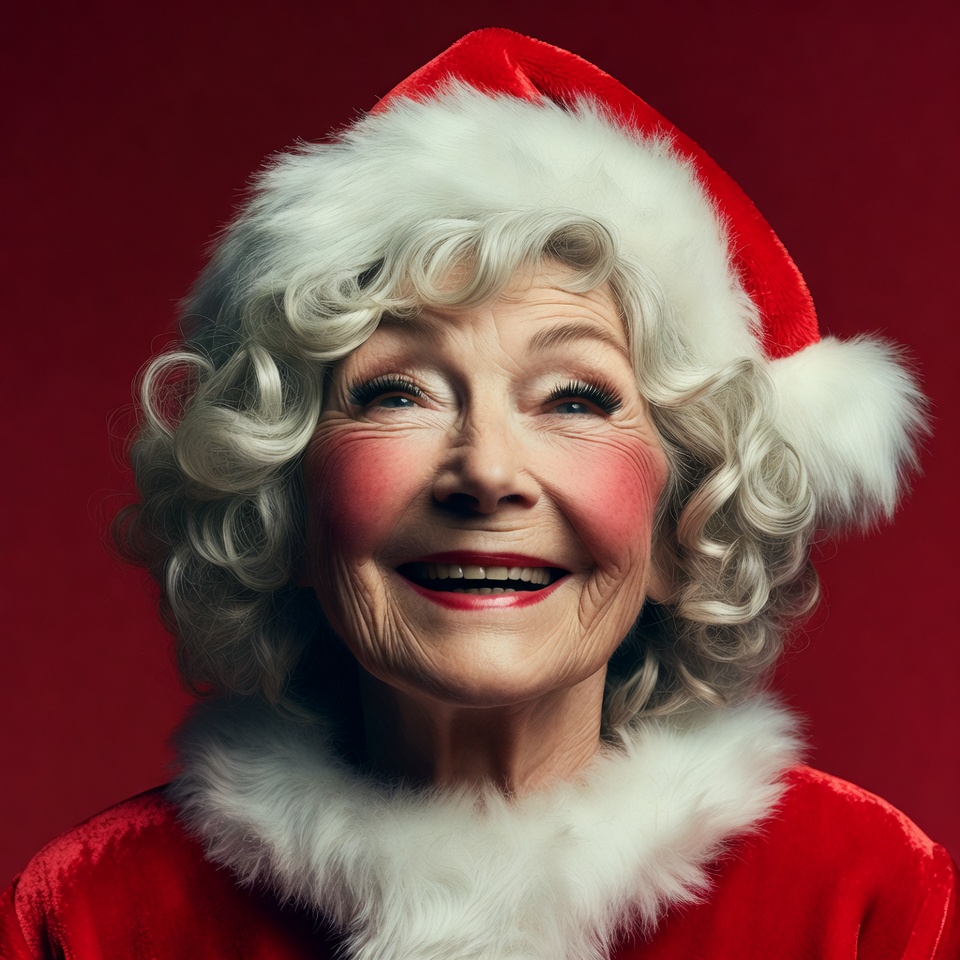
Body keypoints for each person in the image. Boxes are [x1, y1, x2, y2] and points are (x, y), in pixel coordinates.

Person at [2, 28, 956, 960]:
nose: (488, 474)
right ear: (285, 499)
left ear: (682, 520)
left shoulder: (869, 907)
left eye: (575, 398)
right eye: (398, 392)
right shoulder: (91, 918)